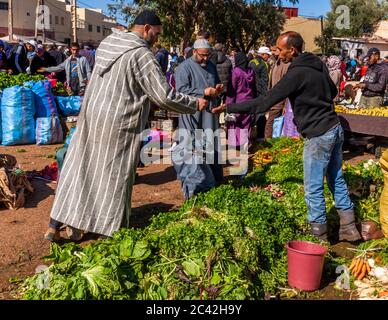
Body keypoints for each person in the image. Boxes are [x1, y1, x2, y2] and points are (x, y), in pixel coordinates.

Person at [44, 10, 209, 242]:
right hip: (119, 122)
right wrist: (195, 103)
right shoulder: (142, 55)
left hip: (91, 116)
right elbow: (164, 95)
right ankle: (105, 229)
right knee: (112, 175)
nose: (156, 39)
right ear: (147, 29)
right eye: (156, 34)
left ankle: (54, 224)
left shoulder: (108, 42)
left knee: (79, 166)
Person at [213, 31, 362, 242]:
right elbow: (331, 91)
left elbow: (263, 103)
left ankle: (318, 237)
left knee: (313, 186)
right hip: (334, 127)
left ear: (292, 50)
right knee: (336, 178)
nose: (276, 53)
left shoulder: (296, 73)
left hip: (318, 134)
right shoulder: (318, 64)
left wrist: (228, 107)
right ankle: (349, 228)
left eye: (279, 49)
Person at [173, 38, 224, 199]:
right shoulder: (184, 68)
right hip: (192, 115)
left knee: (211, 145)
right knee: (192, 147)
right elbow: (181, 91)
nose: (205, 58)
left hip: (209, 113)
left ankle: (213, 181)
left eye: (208, 55)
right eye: (202, 55)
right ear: (194, 52)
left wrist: (217, 88)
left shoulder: (210, 65)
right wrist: (204, 92)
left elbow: (215, 83)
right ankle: (194, 184)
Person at [225, 52, 255, 148]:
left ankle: (234, 143)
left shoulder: (236, 72)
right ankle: (244, 142)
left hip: (237, 101)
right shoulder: (251, 71)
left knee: (235, 123)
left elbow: (232, 89)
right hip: (249, 100)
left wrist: (228, 104)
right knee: (246, 123)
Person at [264, 46, 290, 139]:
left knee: (272, 124)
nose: (273, 53)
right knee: (272, 123)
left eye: (275, 51)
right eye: (272, 51)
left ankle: (269, 144)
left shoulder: (286, 65)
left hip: (280, 101)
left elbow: (288, 86)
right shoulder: (275, 63)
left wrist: (286, 104)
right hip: (273, 99)